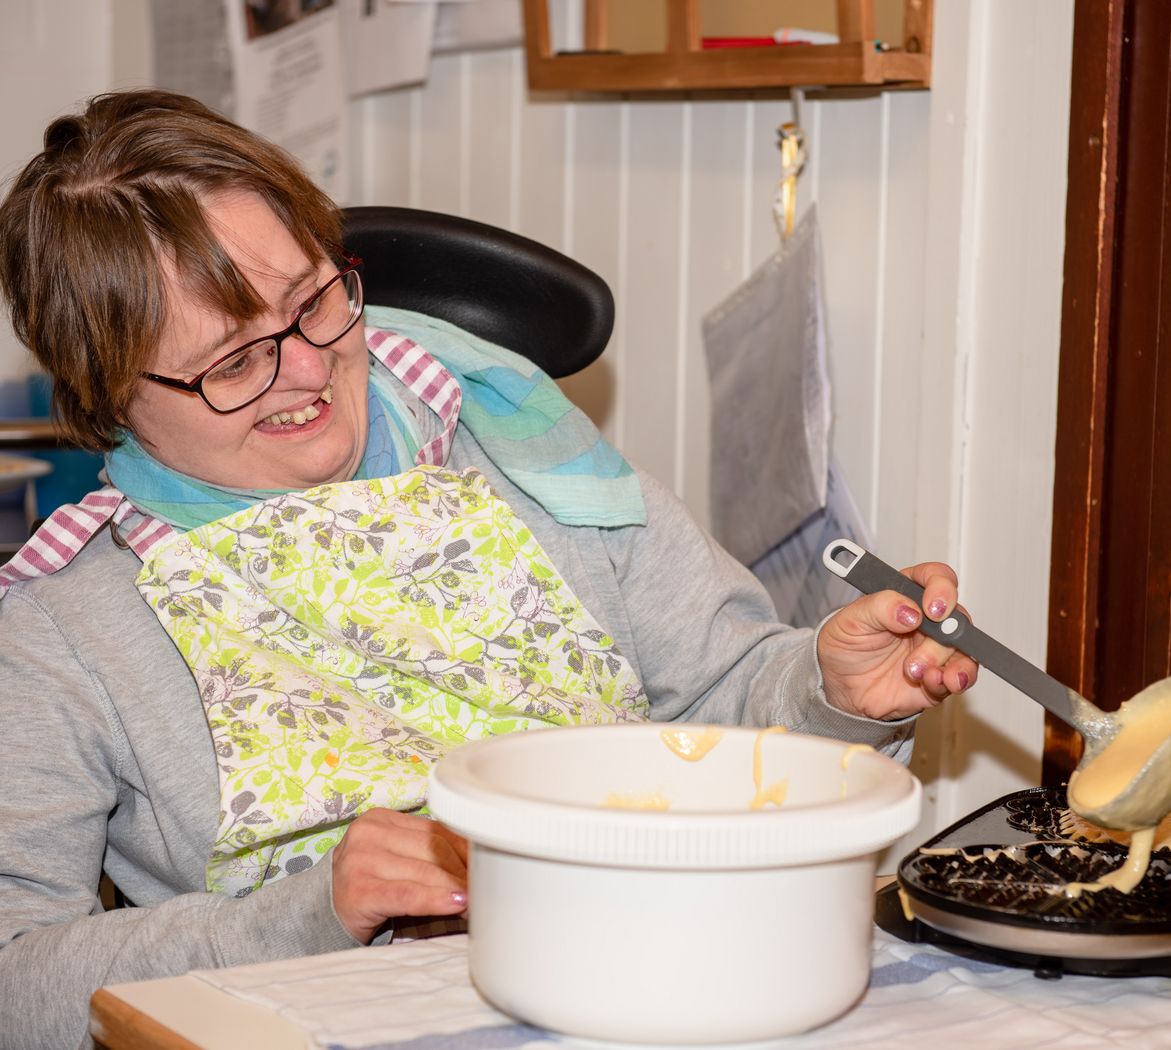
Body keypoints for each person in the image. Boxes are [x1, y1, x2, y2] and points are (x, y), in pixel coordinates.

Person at [0, 90, 978, 1049]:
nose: (305, 370)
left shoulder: (523, 449)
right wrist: (302, 914)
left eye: (312, 302)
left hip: (655, 987)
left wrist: (833, 690)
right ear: (111, 393)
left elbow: (724, 693)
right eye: (231, 360)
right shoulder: (62, 629)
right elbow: (14, 979)